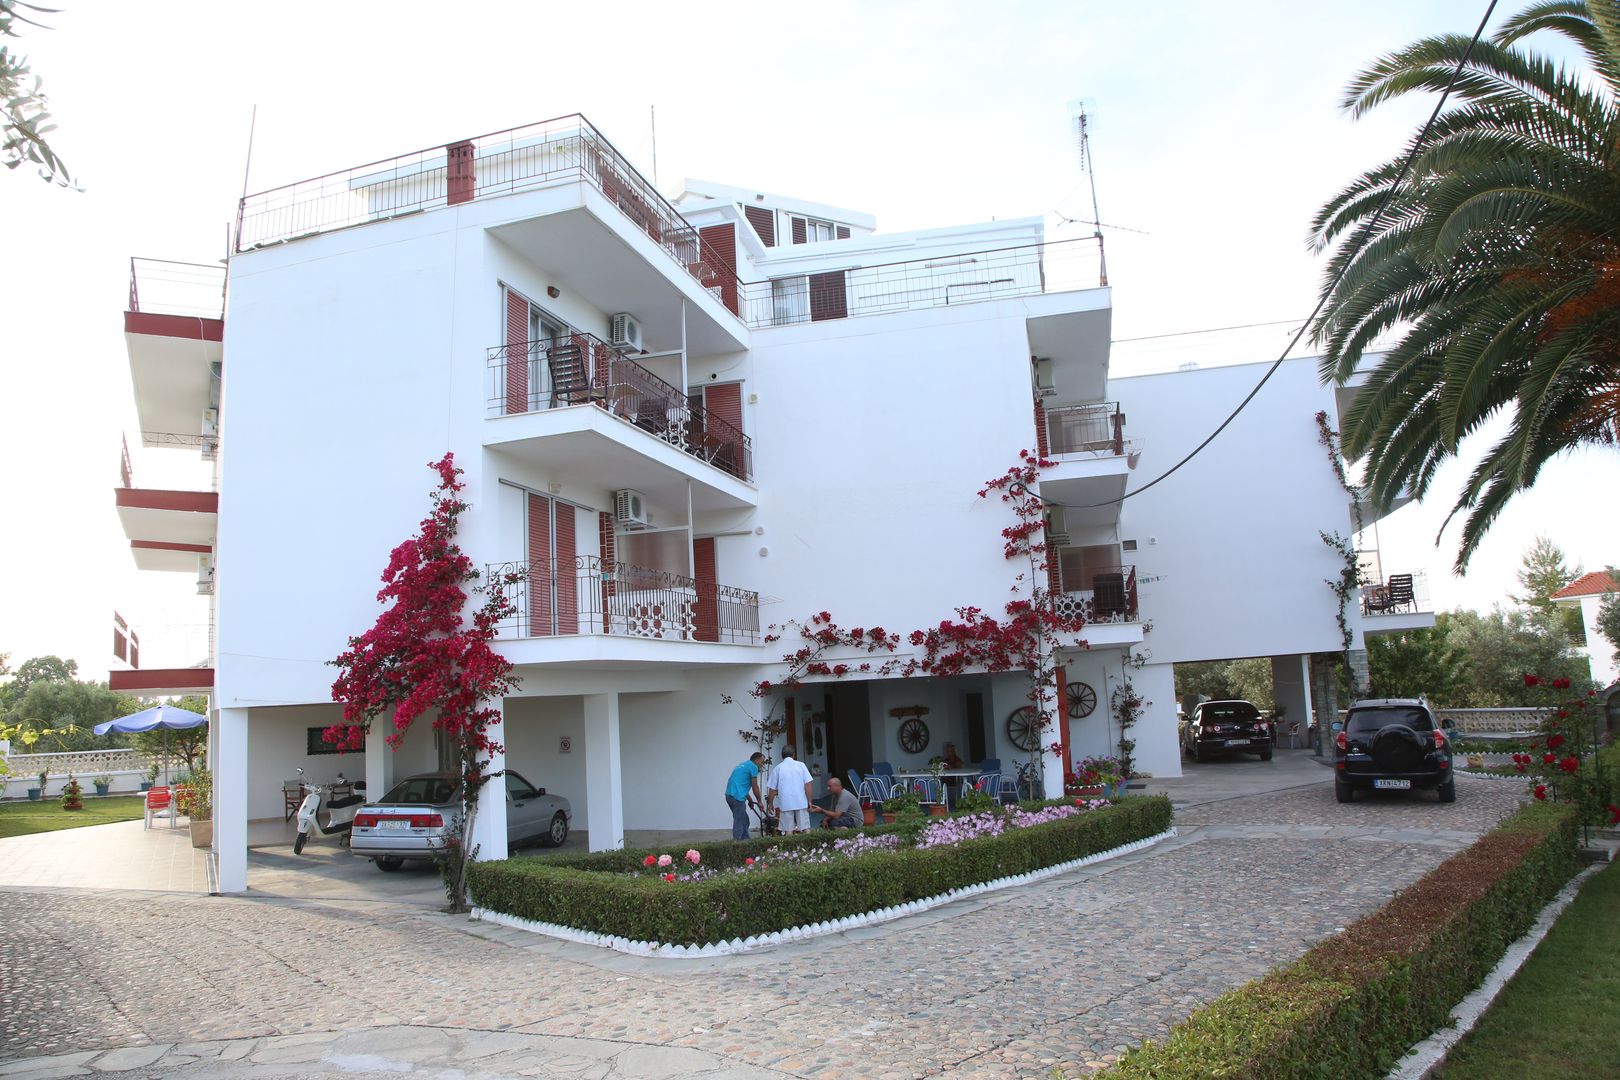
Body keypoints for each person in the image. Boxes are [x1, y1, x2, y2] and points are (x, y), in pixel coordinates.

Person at [766, 747, 815, 834]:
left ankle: (790, 843)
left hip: (786, 803)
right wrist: (810, 801)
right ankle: (809, 843)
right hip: (801, 801)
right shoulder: (801, 765)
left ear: (782, 756)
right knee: (805, 828)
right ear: (793, 755)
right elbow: (808, 784)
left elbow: (772, 789)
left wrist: (770, 804)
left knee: (788, 830)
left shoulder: (778, 768)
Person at [725, 752, 765, 841]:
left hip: (729, 795)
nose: (762, 765)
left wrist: (750, 800)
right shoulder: (753, 767)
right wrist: (759, 802)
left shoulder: (743, 765)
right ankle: (737, 843)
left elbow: (740, 786)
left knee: (745, 820)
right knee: (739, 822)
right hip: (737, 798)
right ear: (757, 760)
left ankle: (746, 840)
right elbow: (755, 786)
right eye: (762, 762)